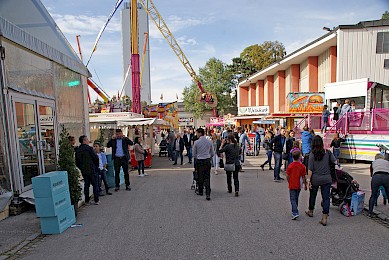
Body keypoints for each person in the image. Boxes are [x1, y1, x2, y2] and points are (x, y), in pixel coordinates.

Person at [305, 135, 337, 226]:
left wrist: (309, 180)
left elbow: (310, 169)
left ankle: (311, 211)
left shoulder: (312, 154)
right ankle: (324, 217)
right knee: (326, 198)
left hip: (315, 178)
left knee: (313, 195)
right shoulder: (327, 152)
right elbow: (335, 161)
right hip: (327, 178)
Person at [76, 135, 100, 205]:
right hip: (92, 169)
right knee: (95, 184)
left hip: (84, 170)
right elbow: (95, 158)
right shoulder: (89, 149)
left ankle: (87, 200)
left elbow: (77, 162)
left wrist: (81, 168)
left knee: (86, 185)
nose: (88, 141)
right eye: (86, 140)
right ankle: (96, 200)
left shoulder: (78, 150)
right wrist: (96, 166)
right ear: (84, 141)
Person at [193, 128, 214, 201]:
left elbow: (194, 154)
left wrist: (198, 157)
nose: (196, 135)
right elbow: (212, 153)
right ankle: (208, 193)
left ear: (200, 133)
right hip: (207, 160)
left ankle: (201, 191)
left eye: (197, 133)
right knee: (207, 177)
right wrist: (208, 157)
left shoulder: (196, 142)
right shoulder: (209, 142)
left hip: (199, 160)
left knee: (200, 176)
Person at [286, 150, 307, 220]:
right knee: (296, 198)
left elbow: (287, 175)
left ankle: (294, 212)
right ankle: (294, 210)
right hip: (299, 184)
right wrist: (305, 184)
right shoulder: (302, 166)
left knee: (292, 199)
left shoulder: (290, 166)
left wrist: (288, 181)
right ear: (299, 157)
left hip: (292, 184)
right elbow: (304, 176)